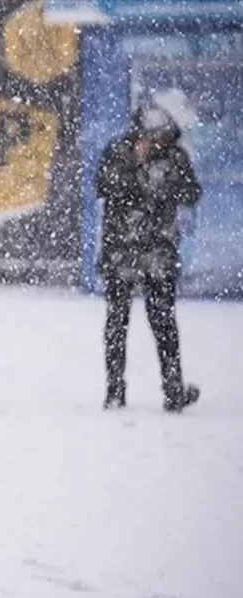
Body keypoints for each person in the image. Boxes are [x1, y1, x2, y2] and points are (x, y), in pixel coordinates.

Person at [96, 106, 202, 412]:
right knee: (117, 321)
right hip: (121, 252)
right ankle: (115, 390)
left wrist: (162, 183)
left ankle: (173, 391)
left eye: (161, 138)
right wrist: (137, 167)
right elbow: (105, 187)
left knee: (163, 322)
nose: (156, 144)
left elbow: (191, 192)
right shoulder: (118, 152)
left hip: (158, 252)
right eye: (151, 138)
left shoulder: (175, 157)